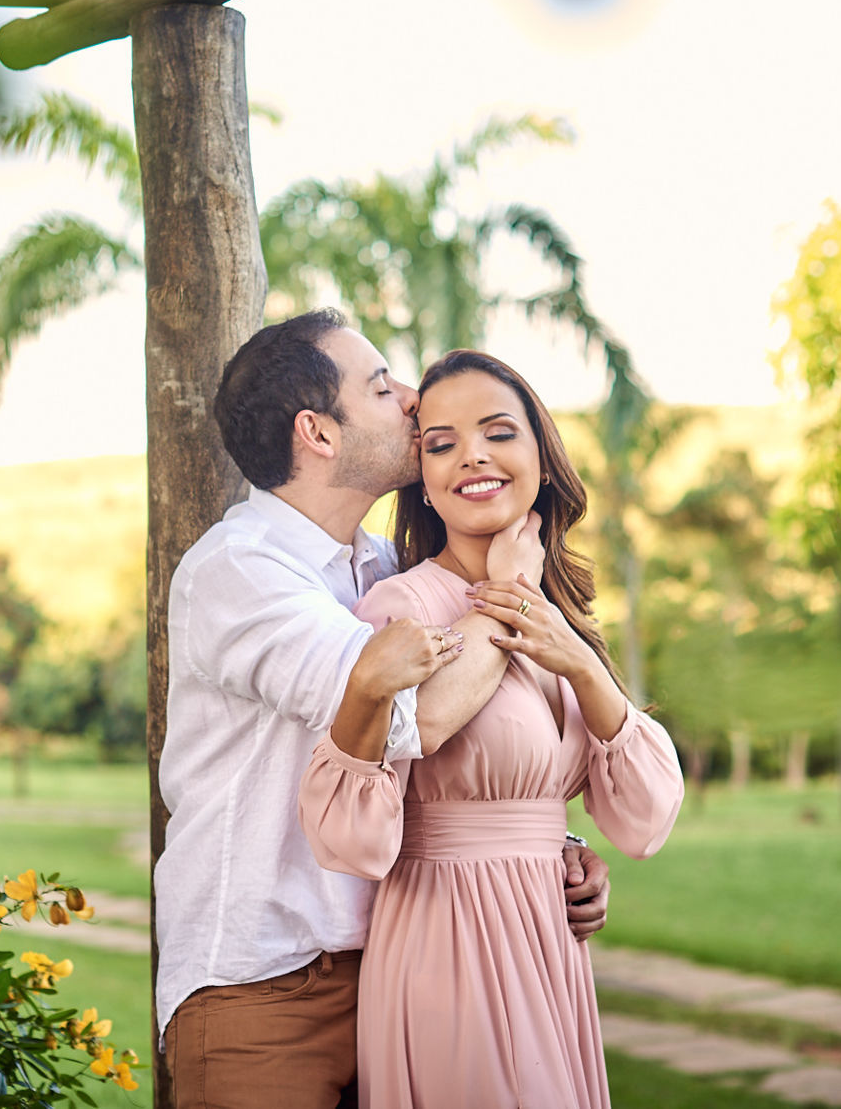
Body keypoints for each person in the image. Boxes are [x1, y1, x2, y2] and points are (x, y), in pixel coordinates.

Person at [156, 311, 613, 1109]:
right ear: (318, 433)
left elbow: (439, 768)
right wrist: (509, 595)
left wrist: (546, 842)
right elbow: (413, 719)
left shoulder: (378, 567)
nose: (411, 400)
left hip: (404, 971)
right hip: (264, 990)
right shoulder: (240, 572)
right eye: (380, 385)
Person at [298, 348, 686, 1109]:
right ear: (428, 485)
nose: (471, 455)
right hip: (449, 941)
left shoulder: (563, 614)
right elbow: (370, 813)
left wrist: (579, 666)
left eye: (498, 432)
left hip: (548, 943)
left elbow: (642, 821)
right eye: (440, 444)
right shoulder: (399, 609)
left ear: (540, 456)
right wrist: (502, 590)